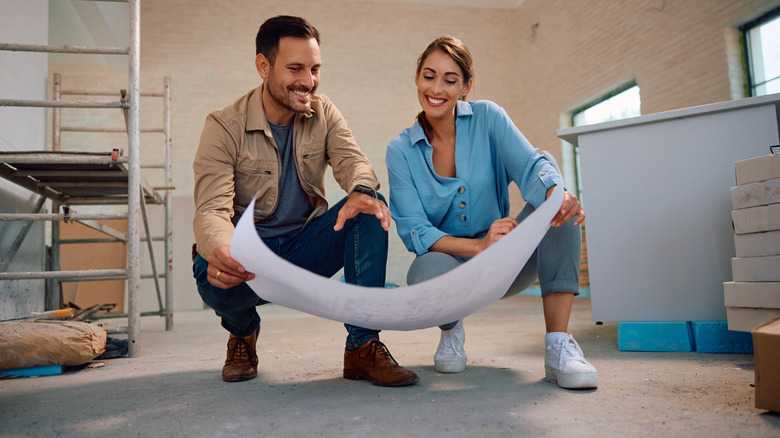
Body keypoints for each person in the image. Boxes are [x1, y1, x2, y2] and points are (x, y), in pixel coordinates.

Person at [192, 15, 418, 387]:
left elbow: (352, 162)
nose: (308, 81)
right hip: (249, 257)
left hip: (304, 249)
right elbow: (211, 210)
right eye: (295, 68)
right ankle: (242, 331)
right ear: (263, 66)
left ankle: (362, 346)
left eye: (314, 69)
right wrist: (221, 248)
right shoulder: (223, 126)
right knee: (209, 268)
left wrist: (361, 188)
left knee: (367, 205)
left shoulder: (324, 111)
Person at [385, 36, 598, 389]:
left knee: (555, 205)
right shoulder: (401, 150)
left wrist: (555, 193)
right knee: (423, 273)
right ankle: (451, 331)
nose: (436, 89)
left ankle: (558, 346)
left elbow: (532, 166)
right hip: (453, 267)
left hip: (507, 262)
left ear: (466, 86)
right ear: (417, 79)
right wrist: (480, 246)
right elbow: (415, 230)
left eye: (450, 80)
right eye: (428, 76)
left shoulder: (489, 117)